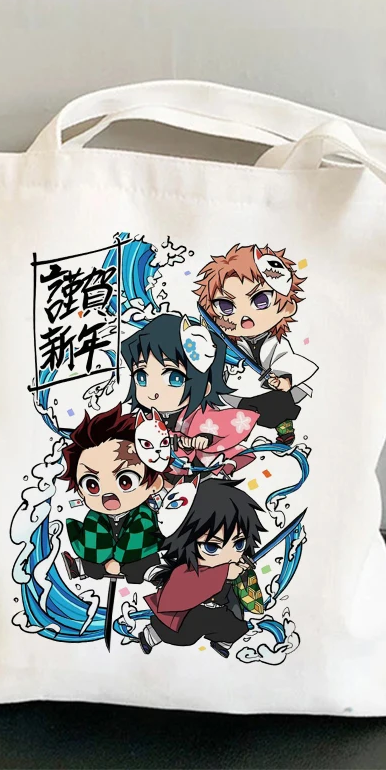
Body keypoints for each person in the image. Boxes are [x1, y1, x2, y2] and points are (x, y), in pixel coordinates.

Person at [194, 244, 318, 445]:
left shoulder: (275, 342)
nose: (244, 317)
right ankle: (233, 440)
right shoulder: (223, 346)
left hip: (270, 396)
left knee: (279, 403)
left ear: (287, 307)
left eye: (261, 300)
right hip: (240, 397)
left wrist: (282, 381)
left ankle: (284, 433)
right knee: (228, 413)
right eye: (225, 306)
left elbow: (286, 361)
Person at [120, 313, 258, 479]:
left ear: (206, 386)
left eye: (174, 378)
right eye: (141, 377)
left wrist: (204, 438)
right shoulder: (143, 420)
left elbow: (227, 426)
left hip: (195, 475)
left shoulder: (201, 416)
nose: (153, 391)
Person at [139, 478, 266, 658]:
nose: (229, 555)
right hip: (189, 613)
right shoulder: (185, 570)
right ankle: (151, 635)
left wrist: (242, 571)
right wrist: (224, 573)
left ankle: (221, 642)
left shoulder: (234, 564)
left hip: (219, 609)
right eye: (212, 547)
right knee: (180, 636)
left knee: (234, 627)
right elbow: (178, 594)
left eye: (238, 544)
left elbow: (245, 593)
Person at [60, 404, 164, 584]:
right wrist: (105, 560)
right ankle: (83, 567)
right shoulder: (95, 516)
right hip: (107, 556)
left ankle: (153, 573)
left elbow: (138, 538)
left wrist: (117, 562)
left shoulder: (143, 515)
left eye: (125, 481)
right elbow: (92, 541)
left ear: (154, 483)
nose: (108, 495)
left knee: (141, 565)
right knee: (93, 564)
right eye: (92, 485)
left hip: (137, 555)